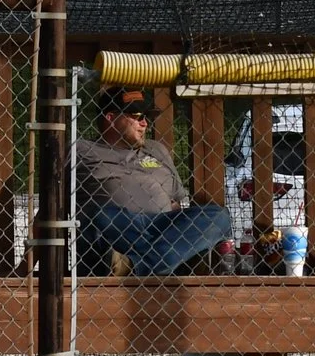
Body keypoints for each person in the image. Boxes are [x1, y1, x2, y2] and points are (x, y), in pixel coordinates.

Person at [75, 84, 234, 276]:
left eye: (146, 118)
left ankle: (136, 265)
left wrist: (182, 230)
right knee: (98, 215)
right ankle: (165, 262)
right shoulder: (82, 150)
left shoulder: (156, 149)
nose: (145, 124)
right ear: (111, 118)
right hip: (120, 226)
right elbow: (56, 204)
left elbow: (175, 205)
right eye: (138, 117)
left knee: (218, 216)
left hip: (163, 226)